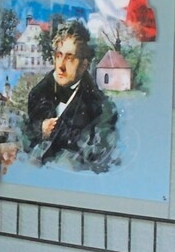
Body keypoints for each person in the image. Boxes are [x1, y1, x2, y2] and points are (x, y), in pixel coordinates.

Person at [24, 20, 118, 172]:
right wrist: (40, 128)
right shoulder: (37, 94)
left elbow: (100, 159)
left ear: (84, 64)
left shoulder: (100, 107)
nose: (61, 65)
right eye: (58, 55)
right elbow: (25, 140)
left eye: (69, 57)